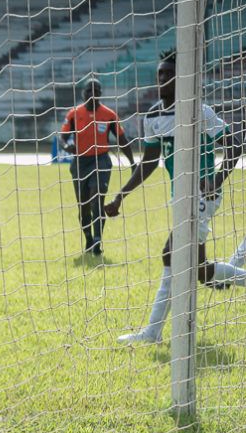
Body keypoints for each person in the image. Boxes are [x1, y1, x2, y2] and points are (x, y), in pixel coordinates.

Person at [106, 49, 244, 344]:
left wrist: (217, 178)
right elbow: (149, 163)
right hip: (178, 195)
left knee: (171, 253)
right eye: (159, 74)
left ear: (181, 79)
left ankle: (152, 333)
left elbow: (234, 146)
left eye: (168, 74)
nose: (162, 79)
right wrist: (121, 196)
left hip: (203, 194)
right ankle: (153, 332)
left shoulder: (198, 111)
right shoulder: (154, 115)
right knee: (202, 272)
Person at [59, 78, 136, 255]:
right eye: (88, 91)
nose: (92, 94)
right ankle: (88, 239)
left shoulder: (109, 115)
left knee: (97, 198)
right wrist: (66, 146)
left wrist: (132, 163)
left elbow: (122, 140)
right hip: (80, 162)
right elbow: (63, 137)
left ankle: (97, 240)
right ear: (83, 93)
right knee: (83, 206)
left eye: (96, 91)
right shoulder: (73, 114)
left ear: (100, 94)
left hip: (101, 160)